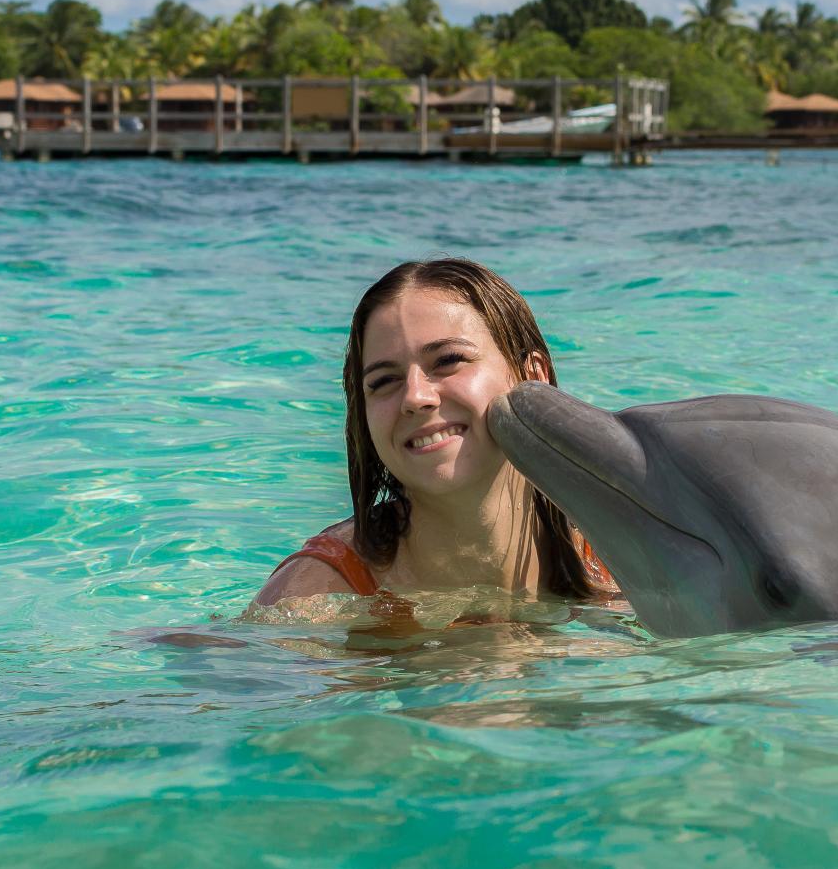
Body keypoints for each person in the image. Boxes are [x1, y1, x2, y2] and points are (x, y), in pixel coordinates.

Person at [252, 258, 617, 611]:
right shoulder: (318, 596)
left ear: (534, 376)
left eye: (447, 360)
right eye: (383, 381)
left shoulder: (615, 555)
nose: (414, 397)